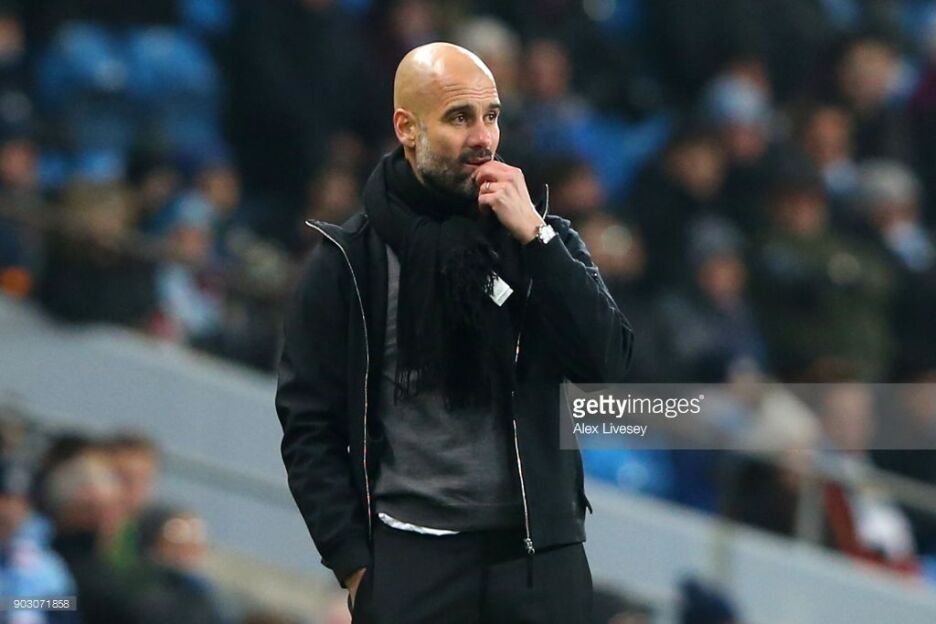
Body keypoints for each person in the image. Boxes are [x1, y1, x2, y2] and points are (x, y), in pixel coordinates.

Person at [275, 42, 633, 623]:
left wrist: (536, 240)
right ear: (407, 128)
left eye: (492, 115)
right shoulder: (349, 261)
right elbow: (308, 424)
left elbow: (608, 365)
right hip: (412, 563)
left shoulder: (543, 240)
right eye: (459, 117)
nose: (483, 137)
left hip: (540, 562)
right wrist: (355, 565)